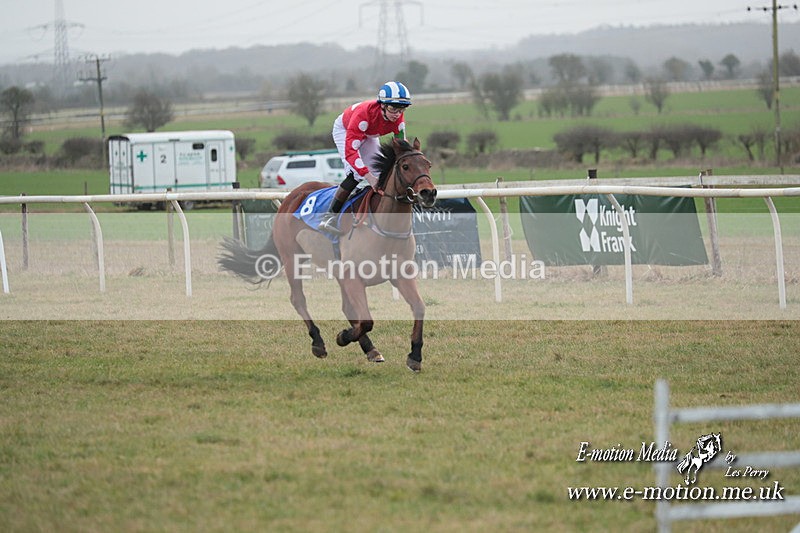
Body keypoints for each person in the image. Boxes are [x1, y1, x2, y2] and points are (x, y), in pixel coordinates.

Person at [318, 81, 411, 235]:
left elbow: (401, 146)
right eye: (393, 109)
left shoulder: (398, 119)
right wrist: (368, 176)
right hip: (346, 129)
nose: (397, 114)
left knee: (377, 170)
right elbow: (351, 151)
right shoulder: (363, 115)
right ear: (382, 105)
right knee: (355, 173)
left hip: (369, 133)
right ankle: (329, 217)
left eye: (401, 110)